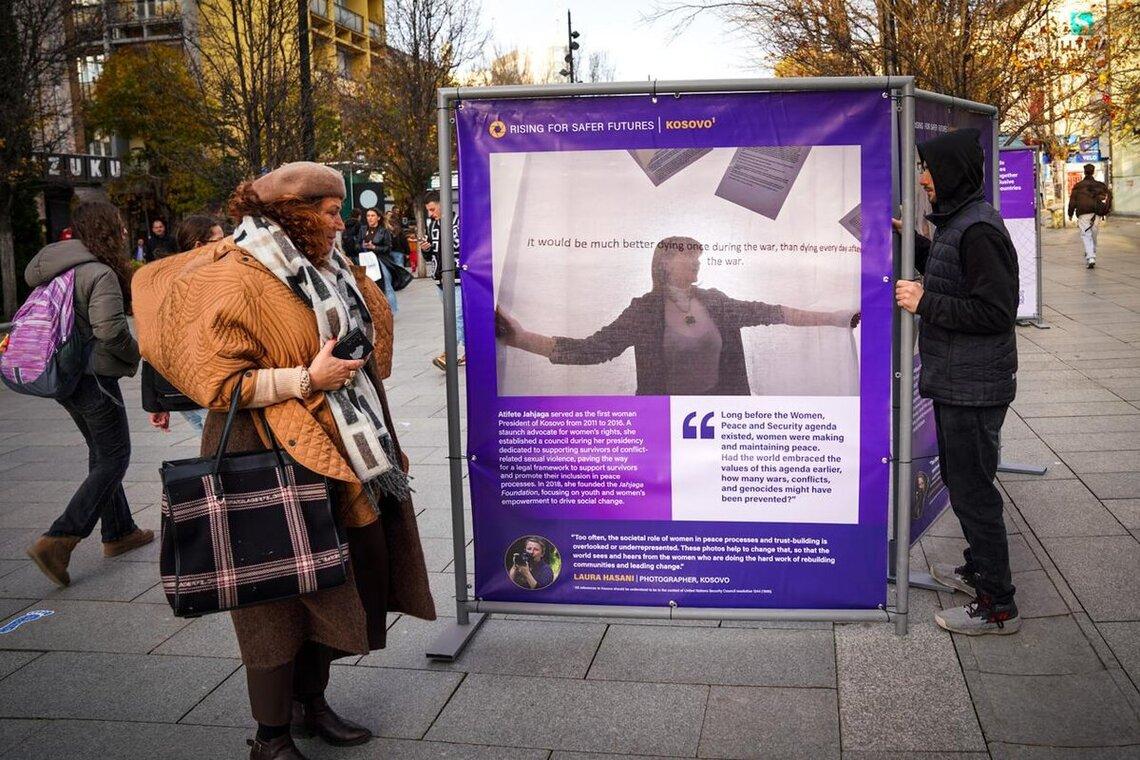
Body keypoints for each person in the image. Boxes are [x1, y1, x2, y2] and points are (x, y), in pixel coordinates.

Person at [132, 162, 436, 760]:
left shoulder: (326, 264)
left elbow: (374, 335)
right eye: (328, 211)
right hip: (261, 448)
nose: (340, 219)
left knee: (337, 577)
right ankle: (269, 736)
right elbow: (219, 383)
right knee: (274, 594)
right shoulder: (240, 274)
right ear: (294, 214)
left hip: (337, 446)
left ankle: (310, 704)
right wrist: (306, 376)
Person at [894, 127, 1021, 636]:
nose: (924, 178)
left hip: (975, 385)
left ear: (951, 173)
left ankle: (998, 605)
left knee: (972, 490)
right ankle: (979, 571)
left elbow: (995, 311)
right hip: (960, 379)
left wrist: (925, 302)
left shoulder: (979, 230)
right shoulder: (959, 222)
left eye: (928, 169)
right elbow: (953, 274)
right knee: (966, 480)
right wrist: (913, 242)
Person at [496, 236, 860, 395]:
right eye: (690, 253)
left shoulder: (716, 302)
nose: (698, 258)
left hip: (723, 416)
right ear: (666, 262)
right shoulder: (645, 310)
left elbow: (773, 313)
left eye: (698, 253)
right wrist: (519, 337)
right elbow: (592, 350)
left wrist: (837, 317)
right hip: (662, 424)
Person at [24, 201, 152, 588]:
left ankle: (119, 532)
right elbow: (110, 329)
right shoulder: (98, 273)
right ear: (106, 231)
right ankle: (60, 539)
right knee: (115, 457)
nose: (125, 232)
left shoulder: (54, 267)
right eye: (119, 225)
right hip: (94, 377)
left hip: (62, 375)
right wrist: (137, 354)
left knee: (100, 452)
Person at [141, 215, 225, 433]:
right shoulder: (206, 282)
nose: (227, 246)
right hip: (205, 390)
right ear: (199, 245)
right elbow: (152, 344)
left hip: (181, 390)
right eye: (220, 240)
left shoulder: (161, 281)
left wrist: (154, 403)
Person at [420, 193, 464, 370]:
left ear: (442, 205)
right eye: (428, 210)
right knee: (454, 317)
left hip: (459, 277)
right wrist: (425, 250)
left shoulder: (460, 223)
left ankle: (449, 354)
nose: (430, 214)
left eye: (432, 209)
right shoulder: (432, 225)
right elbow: (430, 254)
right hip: (440, 279)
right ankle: (472, 351)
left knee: (457, 316)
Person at [1067, 163, 1112, 269]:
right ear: (1093, 172)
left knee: (1086, 234)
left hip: (1083, 213)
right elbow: (1107, 196)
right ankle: (1091, 252)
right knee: (1094, 233)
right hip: (1097, 212)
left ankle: (1090, 256)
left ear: (1084, 172)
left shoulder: (1078, 186)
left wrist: (1070, 214)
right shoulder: (1100, 185)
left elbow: (1072, 201)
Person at [356, 207, 397, 313]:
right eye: (368, 216)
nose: (370, 218)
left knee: (386, 286)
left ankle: (391, 312)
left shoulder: (384, 231)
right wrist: (362, 245)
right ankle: (373, 311)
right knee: (366, 287)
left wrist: (374, 247)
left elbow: (388, 248)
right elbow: (357, 246)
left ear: (378, 218)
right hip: (365, 261)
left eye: (372, 216)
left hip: (380, 261)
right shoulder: (363, 229)